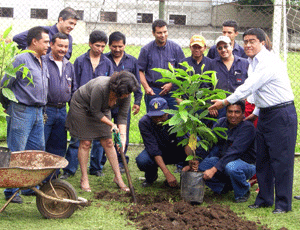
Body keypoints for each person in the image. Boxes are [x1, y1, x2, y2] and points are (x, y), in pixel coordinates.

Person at [209, 28, 297, 214]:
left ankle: (283, 204)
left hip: (281, 114)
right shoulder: (252, 62)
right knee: (262, 159)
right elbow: (261, 91)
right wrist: (256, 112)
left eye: (253, 41)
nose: (248, 45)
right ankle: (264, 199)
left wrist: (225, 102)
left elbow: (250, 86)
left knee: (281, 161)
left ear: (263, 43)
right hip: (265, 113)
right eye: (246, 41)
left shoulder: (268, 61)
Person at [65, 71, 139, 192]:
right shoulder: (101, 87)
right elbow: (95, 111)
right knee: (86, 143)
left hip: (102, 109)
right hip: (82, 107)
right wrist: (111, 124)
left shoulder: (126, 93)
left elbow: (122, 116)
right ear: (118, 90)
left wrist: (123, 138)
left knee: (109, 142)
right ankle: (84, 178)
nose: (127, 95)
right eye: (125, 93)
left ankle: (118, 178)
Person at [1, 26, 50, 204]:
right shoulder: (20, 59)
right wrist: (9, 105)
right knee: (17, 151)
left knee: (37, 150)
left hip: (38, 111)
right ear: (34, 41)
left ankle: (29, 185)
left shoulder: (43, 60)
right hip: (21, 110)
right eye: (45, 42)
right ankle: (11, 190)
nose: (48, 45)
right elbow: (4, 85)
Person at [61, 30, 114, 179]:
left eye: (103, 46)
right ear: (90, 44)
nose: (100, 49)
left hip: (100, 106)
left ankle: (96, 168)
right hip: (82, 106)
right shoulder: (79, 61)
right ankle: (70, 169)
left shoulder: (107, 63)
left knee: (100, 139)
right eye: (97, 45)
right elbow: (74, 83)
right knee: (77, 139)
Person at [136, 97, 207, 188]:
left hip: (177, 151)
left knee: (195, 140)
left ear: (167, 112)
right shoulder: (144, 122)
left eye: (161, 116)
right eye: (154, 117)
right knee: (143, 160)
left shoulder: (176, 119)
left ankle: (187, 178)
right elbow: (153, 150)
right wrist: (167, 174)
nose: (158, 119)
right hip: (159, 152)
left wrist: (191, 161)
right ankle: (151, 176)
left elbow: (185, 142)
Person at [198, 101, 256, 203]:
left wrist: (214, 169)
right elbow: (209, 143)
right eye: (230, 112)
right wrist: (195, 160)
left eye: (237, 112)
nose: (233, 115)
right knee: (201, 166)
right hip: (224, 161)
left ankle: (243, 192)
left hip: (246, 164)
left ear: (243, 114)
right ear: (226, 112)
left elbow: (235, 152)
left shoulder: (248, 127)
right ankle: (224, 187)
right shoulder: (221, 123)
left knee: (232, 167)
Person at [105, 31, 143, 173]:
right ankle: (102, 160)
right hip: (107, 102)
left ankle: (121, 160)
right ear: (109, 46)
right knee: (106, 131)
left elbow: (136, 83)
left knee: (122, 130)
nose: (117, 49)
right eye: (114, 46)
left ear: (125, 45)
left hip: (124, 103)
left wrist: (137, 101)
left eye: (120, 46)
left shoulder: (132, 61)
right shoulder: (105, 59)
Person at [44, 32, 76, 175]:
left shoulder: (69, 65)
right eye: (60, 46)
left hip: (62, 110)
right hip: (45, 110)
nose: (63, 49)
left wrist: (73, 112)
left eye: (66, 47)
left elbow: (73, 89)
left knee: (58, 145)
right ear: (51, 45)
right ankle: (38, 178)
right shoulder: (43, 62)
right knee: (41, 144)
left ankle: (52, 177)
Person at [138, 19, 185, 112]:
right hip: (153, 91)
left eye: (165, 32)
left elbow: (183, 70)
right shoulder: (146, 50)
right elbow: (139, 70)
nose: (163, 35)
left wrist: (172, 84)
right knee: (154, 120)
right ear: (153, 33)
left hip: (173, 91)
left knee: (174, 120)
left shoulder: (176, 48)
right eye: (159, 33)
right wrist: (147, 88)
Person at [13, 7, 79, 60]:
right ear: (61, 20)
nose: (72, 27)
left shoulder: (69, 38)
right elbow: (18, 38)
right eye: (70, 23)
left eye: (74, 25)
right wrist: (34, 52)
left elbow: (66, 57)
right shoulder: (43, 31)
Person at [210, 35, 248, 119]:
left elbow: (251, 84)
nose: (223, 50)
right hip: (219, 107)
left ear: (231, 46)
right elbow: (206, 86)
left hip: (240, 107)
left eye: (225, 46)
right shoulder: (212, 64)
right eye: (220, 48)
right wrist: (210, 104)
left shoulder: (245, 63)